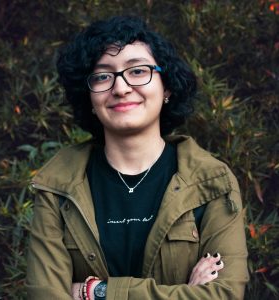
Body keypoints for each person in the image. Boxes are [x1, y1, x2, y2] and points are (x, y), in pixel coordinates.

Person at [25, 16, 249, 300]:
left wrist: (97, 292)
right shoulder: (57, 184)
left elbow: (224, 295)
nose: (120, 88)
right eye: (103, 76)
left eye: (138, 71)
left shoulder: (212, 181)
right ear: (89, 98)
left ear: (166, 87)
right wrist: (185, 294)